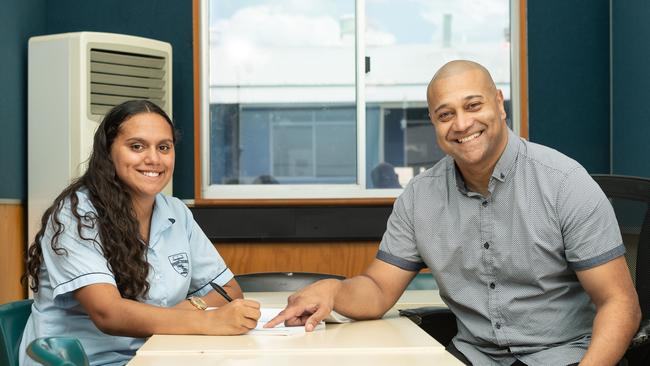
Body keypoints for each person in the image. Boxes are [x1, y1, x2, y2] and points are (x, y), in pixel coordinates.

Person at [266, 60, 641, 365]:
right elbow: (379, 290)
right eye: (445, 114)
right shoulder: (419, 197)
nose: (462, 124)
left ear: (498, 102)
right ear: (433, 122)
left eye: (473, 105)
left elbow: (619, 303)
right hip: (473, 358)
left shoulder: (564, 183)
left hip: (565, 357)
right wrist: (334, 291)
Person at [20, 100, 261, 366]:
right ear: (108, 152)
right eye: (137, 146)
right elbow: (108, 313)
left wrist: (175, 315)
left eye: (164, 147)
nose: (153, 159)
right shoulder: (76, 215)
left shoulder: (176, 212)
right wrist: (206, 318)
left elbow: (228, 291)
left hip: (159, 354)